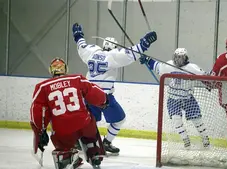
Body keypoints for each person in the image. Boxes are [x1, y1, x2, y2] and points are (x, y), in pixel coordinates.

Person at [72, 23, 157, 154]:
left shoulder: (92, 52)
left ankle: (79, 141)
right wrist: (144, 44)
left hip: (88, 96)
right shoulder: (113, 55)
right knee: (120, 119)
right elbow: (130, 54)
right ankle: (106, 142)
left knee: (89, 121)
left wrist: (78, 35)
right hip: (104, 98)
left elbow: (81, 45)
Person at [30, 58, 108, 169]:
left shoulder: (42, 87)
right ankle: (94, 152)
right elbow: (94, 92)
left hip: (63, 130)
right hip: (84, 124)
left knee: (61, 141)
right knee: (90, 123)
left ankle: (65, 157)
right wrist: (104, 100)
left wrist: (40, 130)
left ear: (51, 70)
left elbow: (38, 111)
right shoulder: (77, 79)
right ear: (65, 69)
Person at [139, 48, 210, 148]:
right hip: (173, 97)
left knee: (197, 119)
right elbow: (157, 66)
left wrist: (209, 84)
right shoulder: (169, 65)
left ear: (185, 58)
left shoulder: (192, 68)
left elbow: (205, 77)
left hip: (188, 97)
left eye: (181, 57)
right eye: (177, 57)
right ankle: (186, 140)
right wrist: (147, 59)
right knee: (177, 120)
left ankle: (205, 138)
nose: (178, 60)